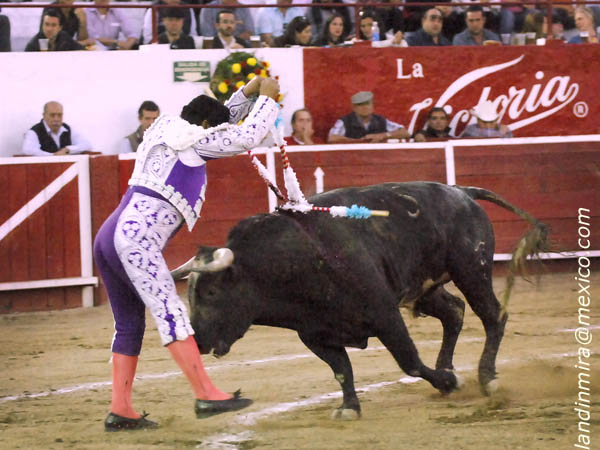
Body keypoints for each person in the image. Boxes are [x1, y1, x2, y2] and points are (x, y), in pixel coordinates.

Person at [93, 76, 281, 431]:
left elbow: (220, 121)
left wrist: (248, 91)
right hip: (135, 239)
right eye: (214, 127)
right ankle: (206, 393)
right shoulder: (193, 140)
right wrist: (268, 100)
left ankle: (121, 409)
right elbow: (245, 136)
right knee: (170, 311)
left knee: (129, 323)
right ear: (206, 126)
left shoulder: (167, 130)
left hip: (110, 236)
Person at [328, 91, 410, 143]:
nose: (365, 107)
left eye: (367, 104)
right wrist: (360, 141)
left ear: (373, 105)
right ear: (354, 108)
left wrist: (383, 135)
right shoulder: (345, 121)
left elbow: (405, 132)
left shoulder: (380, 120)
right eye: (360, 105)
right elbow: (332, 138)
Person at [22, 101, 92, 156]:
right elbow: (28, 150)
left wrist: (68, 149)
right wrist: (53, 156)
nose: (56, 119)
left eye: (59, 115)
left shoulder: (67, 129)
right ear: (44, 115)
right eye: (52, 115)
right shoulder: (34, 131)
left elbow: (87, 145)